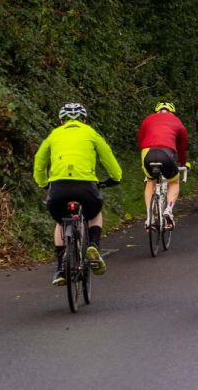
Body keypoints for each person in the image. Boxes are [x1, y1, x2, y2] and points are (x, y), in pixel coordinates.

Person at [33, 103, 122, 286]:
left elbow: (39, 161)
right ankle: (94, 245)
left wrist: (43, 183)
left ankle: (60, 268)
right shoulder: (90, 132)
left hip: (58, 187)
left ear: (61, 121)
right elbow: (107, 156)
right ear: (84, 119)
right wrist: (115, 178)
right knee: (94, 213)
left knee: (60, 222)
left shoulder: (54, 134)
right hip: (85, 186)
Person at [137, 101, 189, 230]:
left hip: (147, 152)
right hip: (166, 153)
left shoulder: (148, 119)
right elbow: (182, 147)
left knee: (150, 181)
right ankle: (168, 210)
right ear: (172, 112)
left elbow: (140, 139)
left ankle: (149, 217)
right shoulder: (177, 121)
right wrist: (183, 163)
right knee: (174, 182)